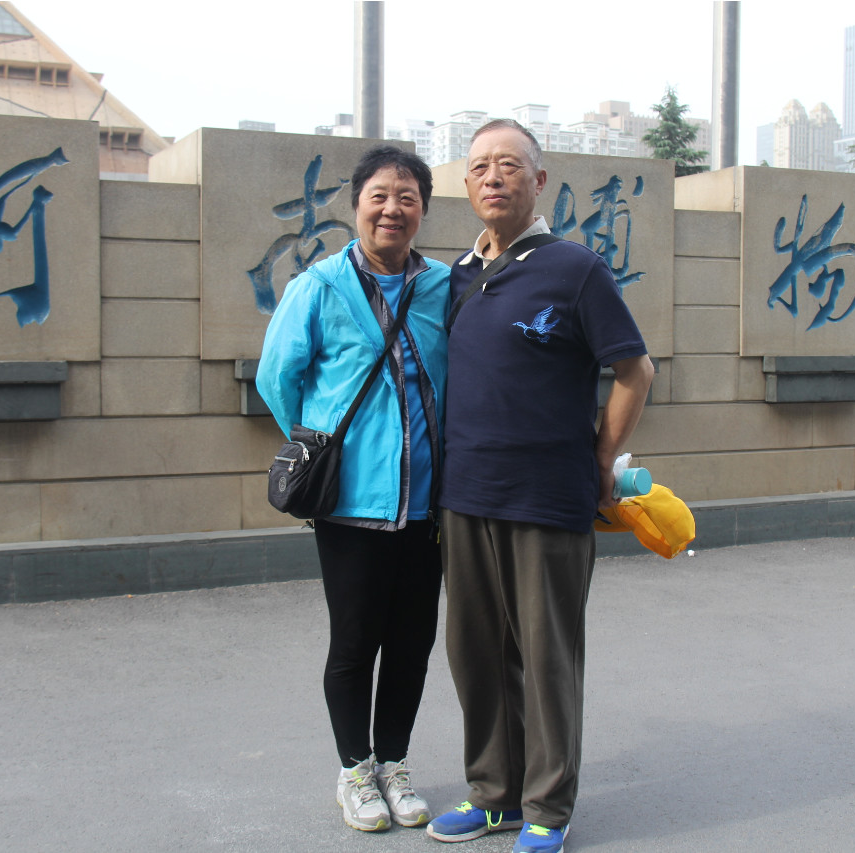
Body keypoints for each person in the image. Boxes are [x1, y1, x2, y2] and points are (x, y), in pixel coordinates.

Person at [427, 120, 655, 853]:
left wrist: (602, 456)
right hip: (465, 495)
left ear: (539, 181)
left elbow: (635, 370)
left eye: (508, 165)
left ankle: (548, 808)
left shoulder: (575, 268)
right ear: (466, 184)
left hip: (548, 497)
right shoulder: (458, 275)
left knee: (546, 656)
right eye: (478, 167)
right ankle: (493, 795)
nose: (492, 177)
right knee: (476, 654)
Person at [255, 145, 449, 834]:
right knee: (355, 642)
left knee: (412, 643)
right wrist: (323, 448)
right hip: (350, 505)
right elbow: (277, 377)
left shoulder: (444, 286)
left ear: (422, 209)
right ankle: (354, 769)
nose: (392, 209)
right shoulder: (320, 286)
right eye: (379, 196)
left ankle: (393, 762)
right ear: (358, 205)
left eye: (407, 197)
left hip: (427, 506)